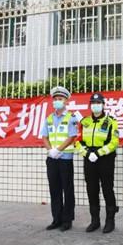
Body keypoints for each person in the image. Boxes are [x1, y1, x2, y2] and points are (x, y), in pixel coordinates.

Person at [75, 92, 119, 234]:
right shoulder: (85, 122)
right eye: (93, 103)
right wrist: (87, 153)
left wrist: (99, 153)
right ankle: (95, 220)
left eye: (98, 103)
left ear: (103, 105)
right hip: (89, 159)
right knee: (92, 189)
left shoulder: (111, 121)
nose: (96, 105)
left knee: (107, 189)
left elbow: (114, 142)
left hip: (105, 159)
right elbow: (78, 141)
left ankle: (110, 220)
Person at [41, 86, 78, 231]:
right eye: (55, 99)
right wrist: (51, 150)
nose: (57, 101)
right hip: (52, 158)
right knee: (54, 189)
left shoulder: (71, 118)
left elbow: (72, 136)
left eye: (60, 99)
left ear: (66, 101)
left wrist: (58, 150)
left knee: (67, 190)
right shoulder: (49, 118)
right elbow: (44, 137)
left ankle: (67, 220)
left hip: (65, 158)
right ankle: (56, 219)